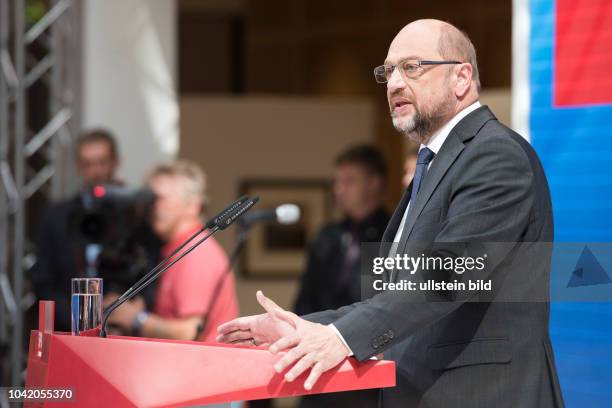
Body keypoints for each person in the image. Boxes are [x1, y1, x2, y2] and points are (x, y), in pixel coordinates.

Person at [217, 19, 564, 408]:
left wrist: (340, 339)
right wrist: (302, 328)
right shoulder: (432, 165)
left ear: (461, 77)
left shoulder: (493, 154)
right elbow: (393, 296)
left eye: (412, 67)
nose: (395, 83)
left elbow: (449, 275)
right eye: (388, 71)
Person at [293, 145, 389, 408]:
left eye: (349, 181)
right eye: (337, 181)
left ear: (373, 184)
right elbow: (305, 298)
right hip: (317, 371)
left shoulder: (391, 234)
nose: (339, 189)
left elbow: (382, 305)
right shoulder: (327, 236)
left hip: (364, 373)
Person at [107, 161, 239, 341]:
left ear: (193, 205)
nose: (153, 207)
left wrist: (135, 318)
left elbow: (189, 331)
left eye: (160, 199)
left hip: (202, 366)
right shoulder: (178, 249)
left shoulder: (195, 253)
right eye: (150, 199)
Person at [31, 129, 131, 331]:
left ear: (115, 162)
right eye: (88, 164)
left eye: (102, 162)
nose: (96, 171)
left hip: (122, 329)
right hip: (67, 328)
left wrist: (124, 311)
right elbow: (42, 280)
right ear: (78, 166)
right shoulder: (56, 216)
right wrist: (77, 320)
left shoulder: (133, 214)